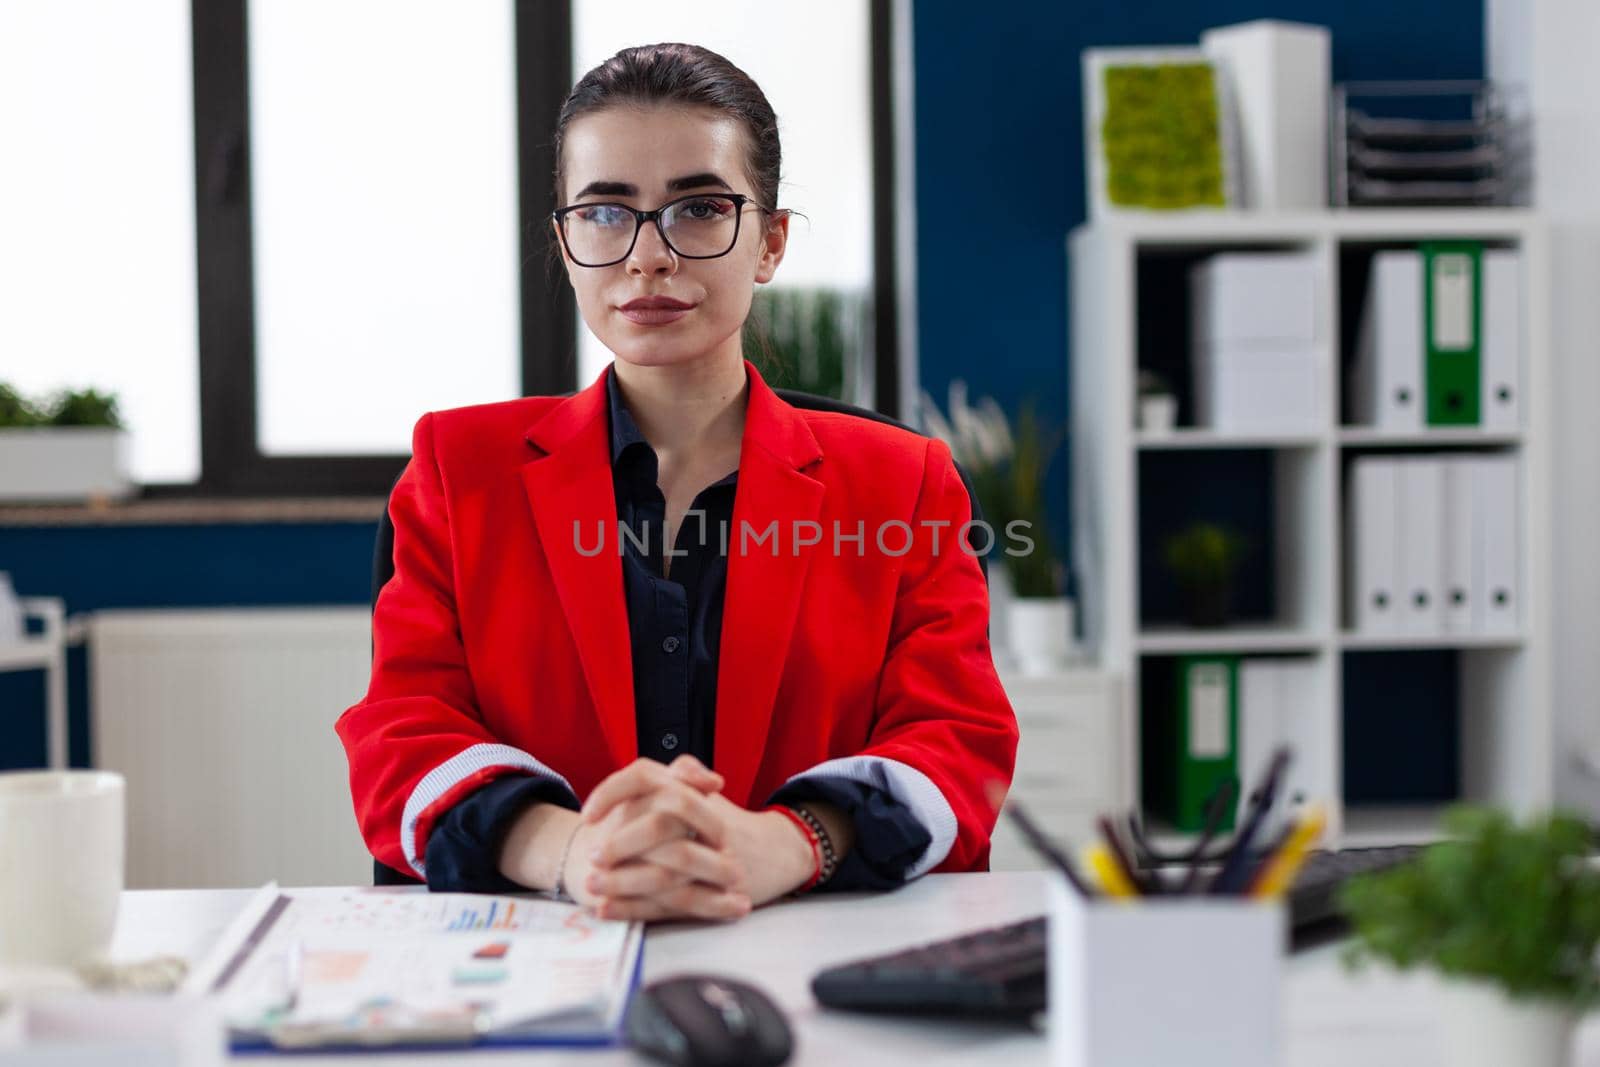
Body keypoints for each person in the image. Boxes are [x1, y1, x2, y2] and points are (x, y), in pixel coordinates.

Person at [336, 42, 1017, 924]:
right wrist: (574, 849)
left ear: (769, 242)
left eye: (699, 209)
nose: (649, 256)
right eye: (606, 212)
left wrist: (784, 842)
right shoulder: (456, 470)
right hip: (548, 944)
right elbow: (402, 732)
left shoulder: (902, 484)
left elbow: (956, 739)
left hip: (805, 943)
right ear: (565, 241)